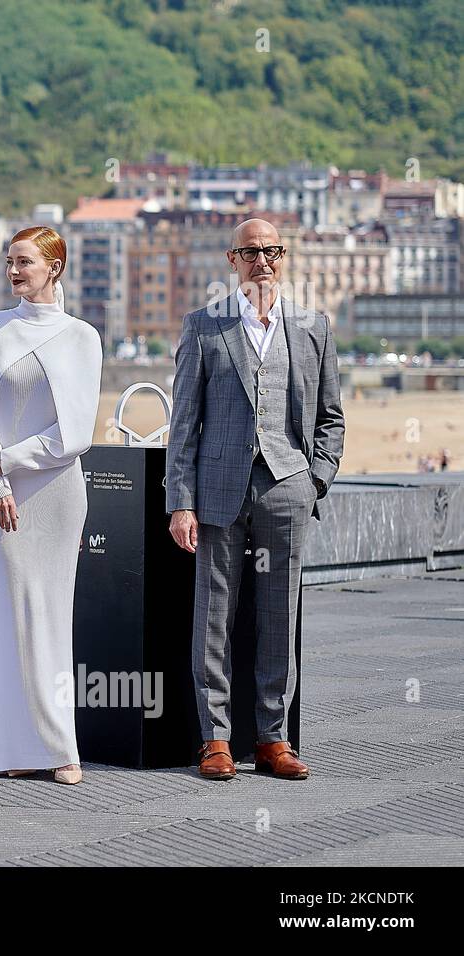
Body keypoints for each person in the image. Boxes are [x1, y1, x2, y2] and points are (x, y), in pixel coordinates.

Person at [166, 217, 345, 781]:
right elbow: (184, 424)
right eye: (250, 252)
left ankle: (274, 739)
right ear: (232, 260)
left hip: (287, 487)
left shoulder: (313, 326)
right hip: (219, 491)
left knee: (280, 616)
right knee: (212, 616)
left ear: (284, 256)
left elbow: (330, 418)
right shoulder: (204, 327)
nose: (261, 260)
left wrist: (314, 480)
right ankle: (215, 739)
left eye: (271, 251)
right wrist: (181, 500)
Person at [0, 226, 102, 785]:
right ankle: (18, 749)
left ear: (54, 267)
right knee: (14, 612)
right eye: (9, 261)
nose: (14, 271)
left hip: (55, 492)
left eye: (24, 262)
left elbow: (74, 434)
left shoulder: (82, 338)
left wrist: (9, 462)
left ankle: (60, 747)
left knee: (52, 614)